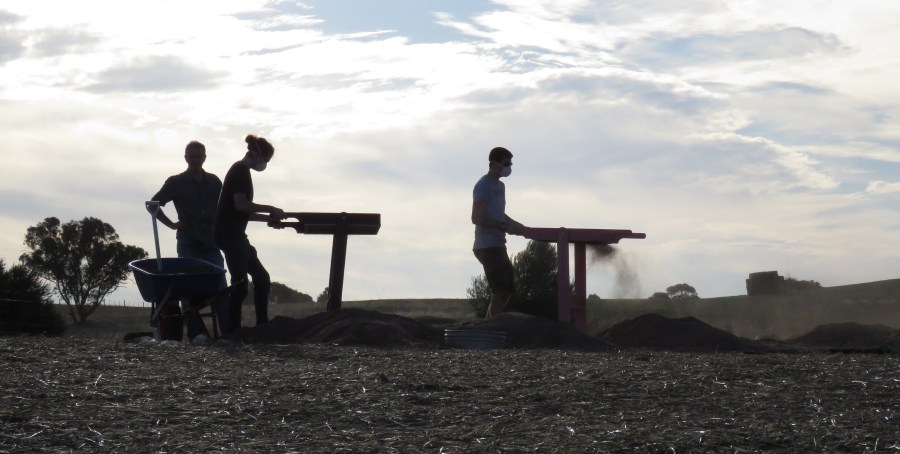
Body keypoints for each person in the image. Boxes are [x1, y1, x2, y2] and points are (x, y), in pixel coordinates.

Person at [149, 140, 227, 344]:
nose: (195, 159)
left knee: (221, 287)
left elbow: (224, 207)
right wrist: (172, 225)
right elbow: (153, 205)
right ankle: (196, 335)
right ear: (185, 158)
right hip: (189, 242)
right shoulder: (176, 182)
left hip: (211, 243)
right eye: (191, 156)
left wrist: (217, 219)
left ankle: (227, 333)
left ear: (205, 158)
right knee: (187, 290)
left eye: (199, 155)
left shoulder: (215, 182)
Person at [214, 134, 285, 334]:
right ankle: (233, 331)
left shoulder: (243, 172)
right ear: (257, 154)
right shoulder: (240, 171)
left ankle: (262, 326)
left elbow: (243, 213)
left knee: (262, 279)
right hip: (229, 235)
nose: (264, 165)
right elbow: (241, 205)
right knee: (240, 285)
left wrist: (268, 219)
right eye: (266, 160)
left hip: (237, 234)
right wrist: (270, 208)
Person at [471, 146, 529, 318]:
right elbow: (476, 218)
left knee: (506, 290)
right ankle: (490, 328)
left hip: (498, 244)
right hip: (486, 246)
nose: (508, 167)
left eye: (510, 164)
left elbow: (499, 214)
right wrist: (501, 226)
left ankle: (490, 324)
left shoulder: (501, 186)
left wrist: (520, 227)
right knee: (500, 290)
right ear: (493, 164)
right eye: (505, 163)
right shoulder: (483, 186)